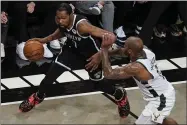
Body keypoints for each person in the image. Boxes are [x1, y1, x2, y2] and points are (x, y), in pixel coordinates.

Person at [19, 3, 130, 118]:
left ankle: (120, 95)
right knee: (50, 76)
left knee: (98, 85)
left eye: (63, 18)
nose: (60, 21)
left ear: (71, 15)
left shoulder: (82, 25)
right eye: (58, 18)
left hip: (91, 56)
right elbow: (59, 33)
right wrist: (42, 40)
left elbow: (111, 36)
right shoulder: (61, 22)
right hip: (71, 52)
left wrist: (99, 55)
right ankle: (38, 97)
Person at [100, 34, 177, 125]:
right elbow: (122, 51)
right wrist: (105, 53)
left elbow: (108, 74)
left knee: (154, 120)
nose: (122, 47)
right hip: (164, 91)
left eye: (125, 46)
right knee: (161, 120)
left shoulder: (136, 67)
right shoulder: (145, 50)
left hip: (160, 100)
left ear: (130, 51)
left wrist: (104, 49)